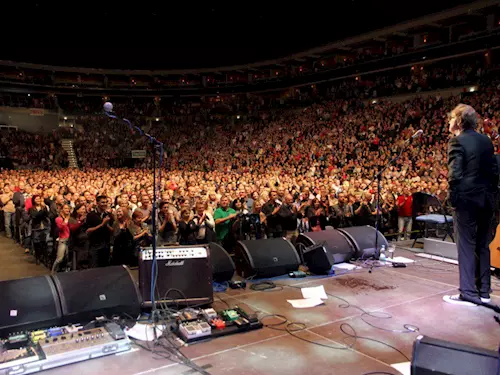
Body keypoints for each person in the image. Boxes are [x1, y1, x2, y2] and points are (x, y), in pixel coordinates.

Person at [443, 104, 498, 306]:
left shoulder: (457, 141)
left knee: (465, 246)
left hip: (467, 200)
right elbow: (494, 171)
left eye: (450, 119)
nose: (448, 122)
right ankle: (484, 291)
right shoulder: (486, 141)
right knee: (482, 245)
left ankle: (467, 292)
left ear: (458, 121)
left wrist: (453, 200)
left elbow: (454, 175)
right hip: (487, 200)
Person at [52, 204, 71, 273]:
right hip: (63, 240)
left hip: (70, 240)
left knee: (67, 258)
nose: (67, 210)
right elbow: (60, 228)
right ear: (62, 209)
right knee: (59, 258)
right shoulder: (58, 219)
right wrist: (65, 221)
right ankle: (53, 272)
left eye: (68, 208)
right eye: (65, 208)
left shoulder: (70, 218)